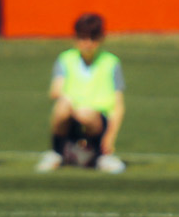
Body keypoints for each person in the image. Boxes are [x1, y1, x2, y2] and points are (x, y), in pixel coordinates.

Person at [37, 13, 125, 173]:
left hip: (98, 119)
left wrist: (110, 138)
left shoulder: (111, 62)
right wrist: (74, 106)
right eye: (83, 38)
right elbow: (55, 90)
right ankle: (56, 152)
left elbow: (118, 105)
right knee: (62, 107)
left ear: (101, 38)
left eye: (93, 38)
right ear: (75, 38)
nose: (88, 43)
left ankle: (102, 155)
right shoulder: (66, 59)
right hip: (72, 112)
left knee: (87, 115)